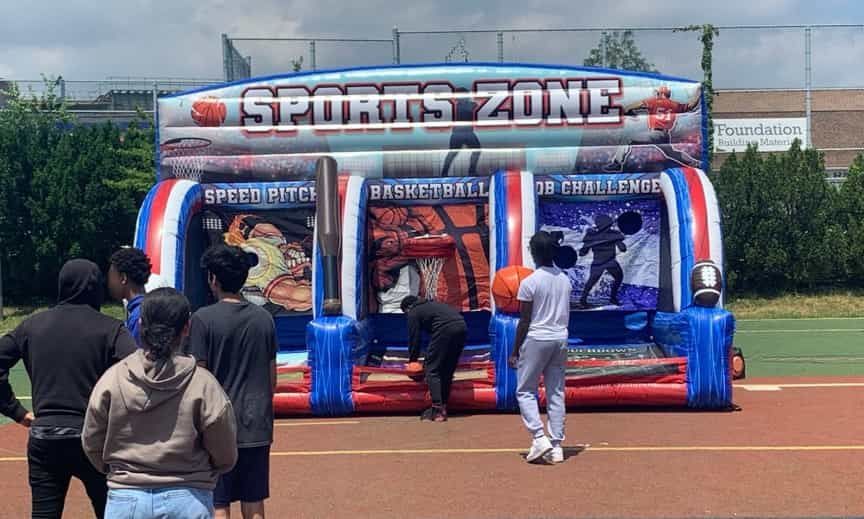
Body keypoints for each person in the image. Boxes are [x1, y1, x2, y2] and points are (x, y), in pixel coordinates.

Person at [82, 288, 238, 519]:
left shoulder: (113, 379)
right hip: (188, 497)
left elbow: (92, 440)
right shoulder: (203, 383)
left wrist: (117, 470)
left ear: (141, 325)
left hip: (127, 498)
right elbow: (224, 450)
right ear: (186, 328)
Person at [0, 259, 137, 517]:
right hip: (94, 436)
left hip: (45, 436)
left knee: (44, 514)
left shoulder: (32, 325)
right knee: (110, 511)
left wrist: (16, 411)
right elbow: (138, 372)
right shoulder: (110, 329)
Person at [187, 244, 277, 519]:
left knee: (219, 502)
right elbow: (272, 377)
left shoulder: (202, 319)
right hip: (256, 422)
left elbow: (199, 377)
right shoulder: (264, 318)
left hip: (216, 423)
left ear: (213, 278)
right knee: (254, 499)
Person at [508, 231, 572, 464]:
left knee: (525, 390)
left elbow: (525, 320)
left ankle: (538, 437)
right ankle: (557, 445)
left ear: (533, 252)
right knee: (556, 391)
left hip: (537, 338)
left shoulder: (530, 282)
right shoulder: (564, 279)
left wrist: (515, 350)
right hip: (560, 338)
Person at [400, 295, 467, 422]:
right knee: (447, 370)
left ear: (407, 308)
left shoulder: (413, 311)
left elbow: (414, 338)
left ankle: (437, 410)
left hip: (445, 329)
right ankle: (443, 406)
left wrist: (413, 360)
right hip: (462, 327)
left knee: (432, 370)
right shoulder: (433, 305)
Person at [579, 214, 626, 307]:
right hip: (604, 262)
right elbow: (623, 248)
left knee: (617, 277)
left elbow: (583, 252)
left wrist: (586, 246)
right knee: (592, 281)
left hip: (604, 262)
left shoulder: (594, 235)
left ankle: (611, 298)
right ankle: (584, 299)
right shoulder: (611, 234)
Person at [108, 247, 152, 344]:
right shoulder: (147, 307)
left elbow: (136, 352)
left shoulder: (138, 317)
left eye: (111, 277)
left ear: (123, 278)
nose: (109, 284)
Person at [440, 87, 481, 177]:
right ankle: (445, 172)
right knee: (453, 153)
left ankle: (445, 172)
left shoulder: (459, 106)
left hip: (462, 132)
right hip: (461, 132)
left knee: (475, 150)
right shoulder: (465, 106)